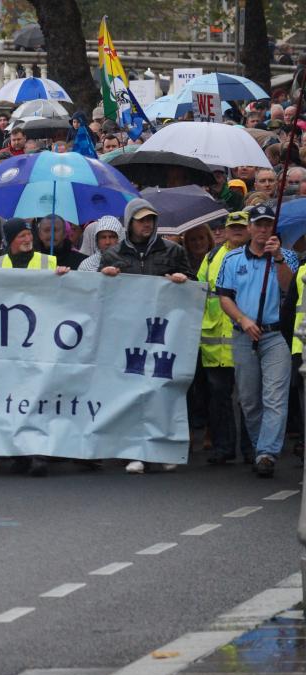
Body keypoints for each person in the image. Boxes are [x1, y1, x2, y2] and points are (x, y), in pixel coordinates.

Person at [100, 198, 193, 474]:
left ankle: (163, 447)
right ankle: (135, 450)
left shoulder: (173, 250)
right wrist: (104, 276)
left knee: (162, 389)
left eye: (151, 219)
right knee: (131, 390)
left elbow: (192, 285)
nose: (147, 224)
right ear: (129, 222)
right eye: (141, 220)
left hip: (163, 331)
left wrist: (181, 279)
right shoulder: (113, 254)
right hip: (128, 333)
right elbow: (98, 295)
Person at [0, 218, 68, 477]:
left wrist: (64, 278)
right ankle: (16, 453)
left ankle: (38, 454)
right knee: (10, 397)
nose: (27, 240)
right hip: (6, 342)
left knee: (36, 395)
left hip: (38, 340)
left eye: (29, 235)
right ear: (10, 239)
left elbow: (62, 295)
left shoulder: (48, 261)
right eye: (21, 236)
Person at [216, 205, 298, 478]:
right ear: (250, 228)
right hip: (244, 334)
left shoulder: (287, 257)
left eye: (268, 225)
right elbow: (225, 297)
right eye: (259, 225)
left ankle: (266, 453)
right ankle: (257, 445)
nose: (263, 230)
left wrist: (277, 259)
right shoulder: (232, 259)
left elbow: (290, 288)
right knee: (250, 401)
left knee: (274, 397)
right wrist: (243, 319)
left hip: (275, 335)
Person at [200, 211, 256, 466]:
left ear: (250, 229)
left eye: (241, 226)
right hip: (215, 341)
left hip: (245, 336)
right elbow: (199, 291)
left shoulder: (257, 255)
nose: (236, 230)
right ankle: (224, 447)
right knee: (219, 396)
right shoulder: (211, 257)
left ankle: (251, 447)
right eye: (232, 226)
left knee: (248, 396)